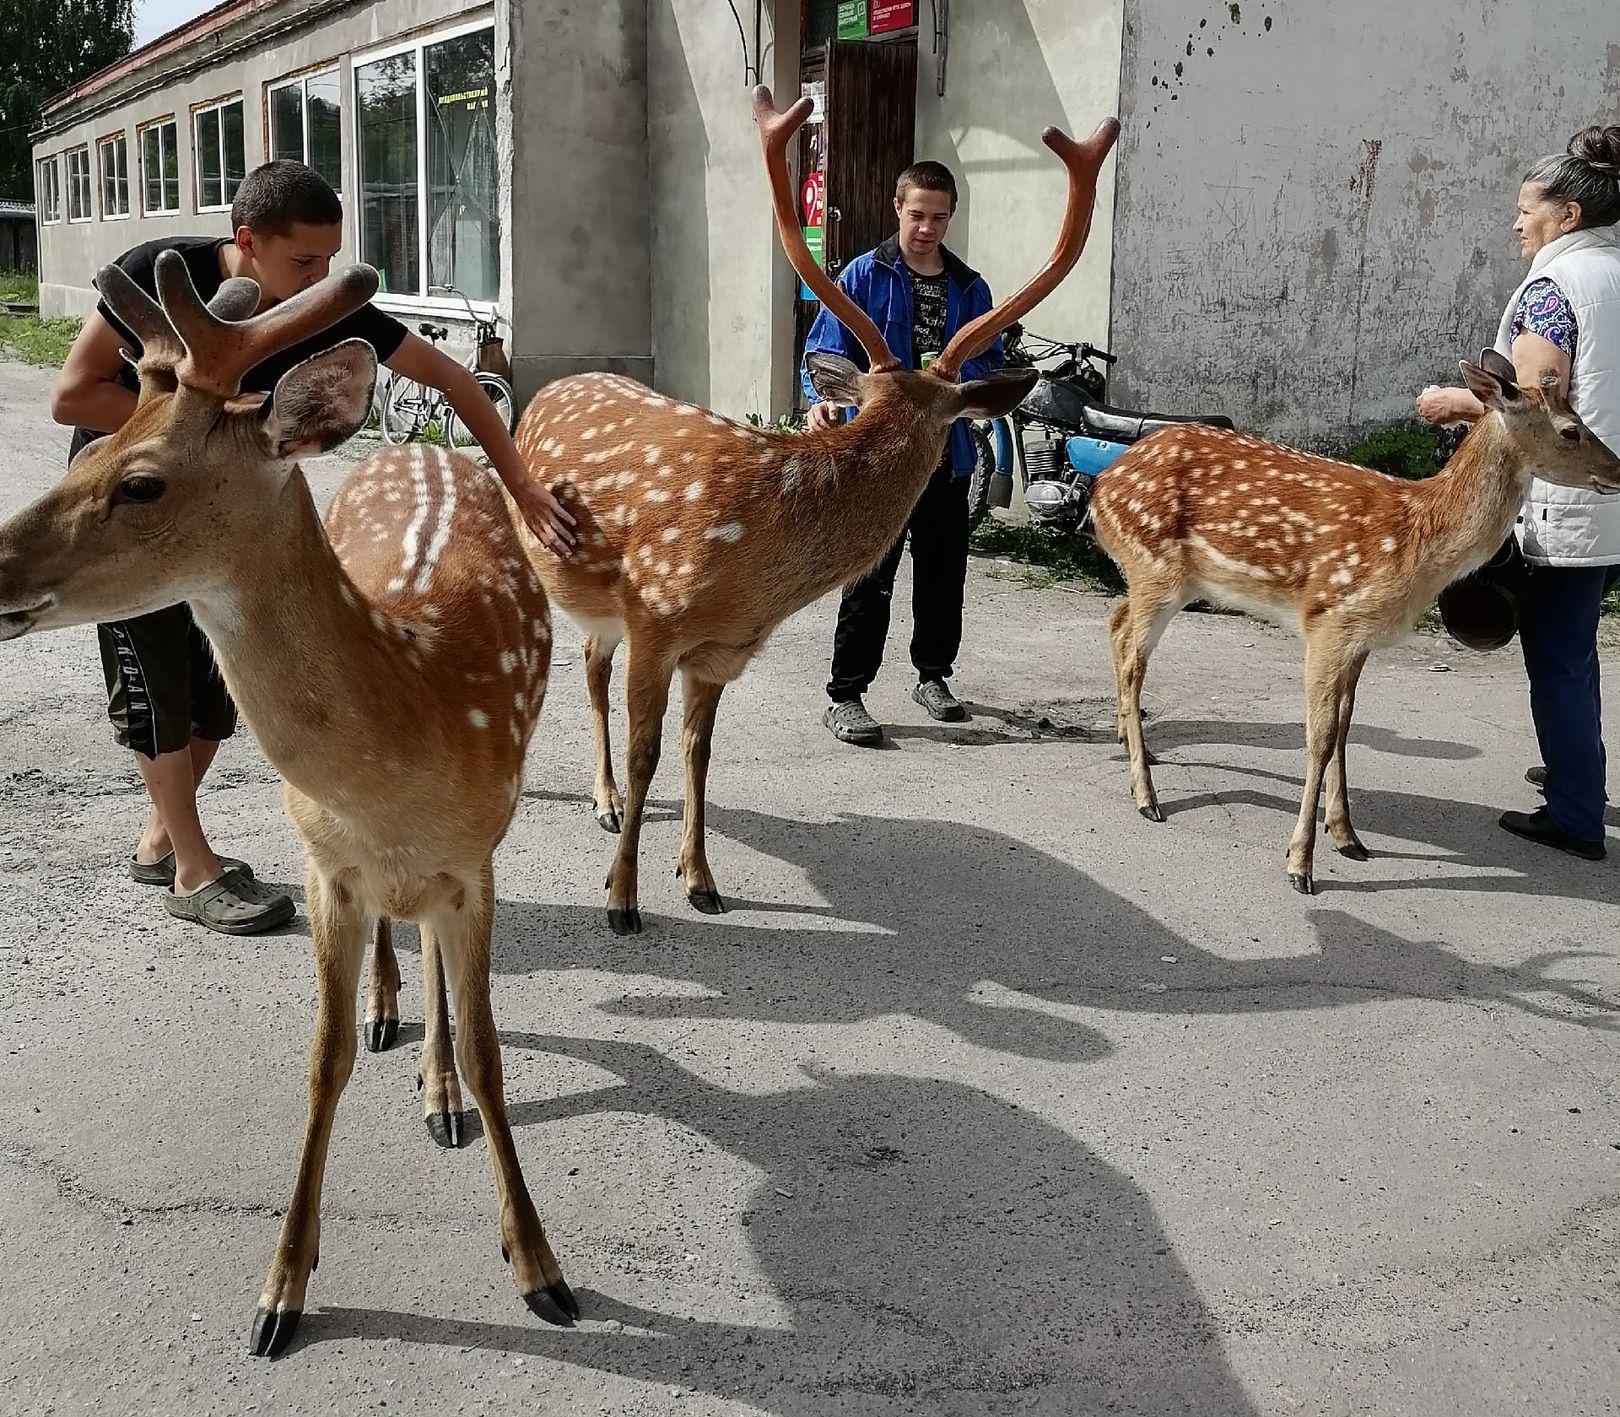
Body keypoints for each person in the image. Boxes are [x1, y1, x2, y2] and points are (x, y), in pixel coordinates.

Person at [51, 159, 577, 933]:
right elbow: (72, 393)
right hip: (136, 517)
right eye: (303, 259)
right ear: (247, 242)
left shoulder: (318, 312)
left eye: (330, 258)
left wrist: (522, 485)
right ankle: (192, 869)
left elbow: (454, 381)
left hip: (236, 528)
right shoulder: (162, 272)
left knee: (217, 700)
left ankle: (161, 838)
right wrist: (203, 432)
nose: (318, 276)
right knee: (158, 690)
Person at [1418, 124, 1620, 861]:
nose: (1516, 223)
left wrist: (1453, 400)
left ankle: (1575, 816)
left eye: (1525, 208)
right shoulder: (1616, 272)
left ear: (1568, 214)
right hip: (1610, 497)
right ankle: (1577, 775)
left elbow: (1533, 406)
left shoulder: (1556, 288)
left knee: (1558, 655)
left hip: (1571, 497)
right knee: (1577, 646)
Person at [801, 160, 1004, 747]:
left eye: (939, 217)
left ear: (951, 217)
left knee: (943, 575)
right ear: (898, 209)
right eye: (917, 215)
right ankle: (846, 695)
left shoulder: (971, 289)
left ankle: (933, 677)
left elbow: (990, 362)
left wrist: (966, 386)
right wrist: (823, 402)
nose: (926, 228)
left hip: (946, 456)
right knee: (869, 577)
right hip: (878, 464)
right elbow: (825, 351)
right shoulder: (863, 276)